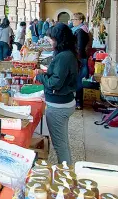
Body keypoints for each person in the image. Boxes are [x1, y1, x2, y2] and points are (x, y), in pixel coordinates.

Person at [35, 23, 78, 165]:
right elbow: (60, 75)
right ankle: (66, 171)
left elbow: (55, 83)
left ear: (59, 39)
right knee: (62, 141)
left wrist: (41, 76)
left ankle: (66, 177)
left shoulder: (64, 56)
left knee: (60, 144)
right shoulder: (66, 54)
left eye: (52, 39)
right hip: (64, 102)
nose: (50, 41)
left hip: (59, 105)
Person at [71, 12, 90, 110]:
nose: (72, 21)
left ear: (80, 20)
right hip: (82, 58)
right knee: (79, 80)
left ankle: (78, 102)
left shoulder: (80, 31)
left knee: (78, 80)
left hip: (80, 59)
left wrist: (76, 60)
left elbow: (79, 47)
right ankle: (78, 101)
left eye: (74, 19)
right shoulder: (83, 29)